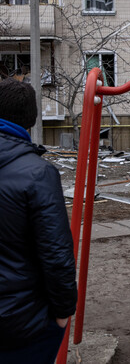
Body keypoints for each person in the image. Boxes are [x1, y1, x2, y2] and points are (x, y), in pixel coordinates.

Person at [0, 78, 78, 364]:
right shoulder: (38, 174)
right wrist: (63, 311)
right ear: (31, 120)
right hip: (20, 321)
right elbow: (56, 252)